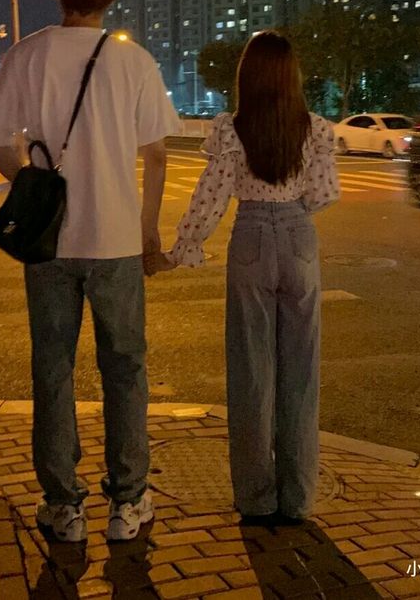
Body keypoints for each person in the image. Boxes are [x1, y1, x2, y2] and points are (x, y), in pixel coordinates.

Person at [0, 0, 178, 543]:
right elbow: (158, 155)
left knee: (53, 370)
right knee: (125, 370)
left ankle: (64, 506)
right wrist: (148, 231)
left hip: (50, 245)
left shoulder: (28, 55)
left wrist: (34, 188)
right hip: (116, 242)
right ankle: (128, 502)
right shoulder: (133, 61)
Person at [162, 31, 339, 523]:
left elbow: (212, 195)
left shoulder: (230, 130)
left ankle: (257, 497)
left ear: (247, 76)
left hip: (252, 237)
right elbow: (324, 193)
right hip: (300, 238)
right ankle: (298, 497)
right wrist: (294, 208)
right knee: (301, 373)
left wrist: (184, 247)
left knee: (250, 371)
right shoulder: (316, 130)